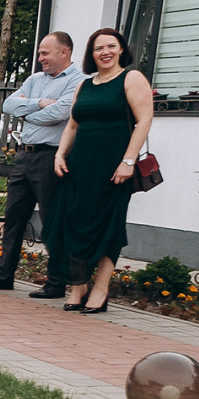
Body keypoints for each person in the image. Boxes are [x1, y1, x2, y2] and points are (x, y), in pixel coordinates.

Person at [50, 28, 154, 313]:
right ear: (91, 54)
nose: (105, 52)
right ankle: (78, 285)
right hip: (80, 165)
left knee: (109, 226)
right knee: (74, 223)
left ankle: (100, 289)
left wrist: (128, 161)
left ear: (121, 50)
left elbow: (144, 121)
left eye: (111, 46)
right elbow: (73, 124)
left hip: (114, 167)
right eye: (99, 48)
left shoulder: (131, 79)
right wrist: (60, 154)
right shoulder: (85, 85)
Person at [0, 32, 83, 297]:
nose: (40, 58)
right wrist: (40, 104)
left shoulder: (79, 81)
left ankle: (56, 283)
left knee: (51, 220)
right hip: (23, 156)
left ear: (64, 52)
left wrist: (30, 113)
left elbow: (62, 112)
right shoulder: (35, 80)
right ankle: (4, 275)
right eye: (40, 53)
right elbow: (10, 105)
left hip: (52, 157)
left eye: (45, 53)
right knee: (13, 217)